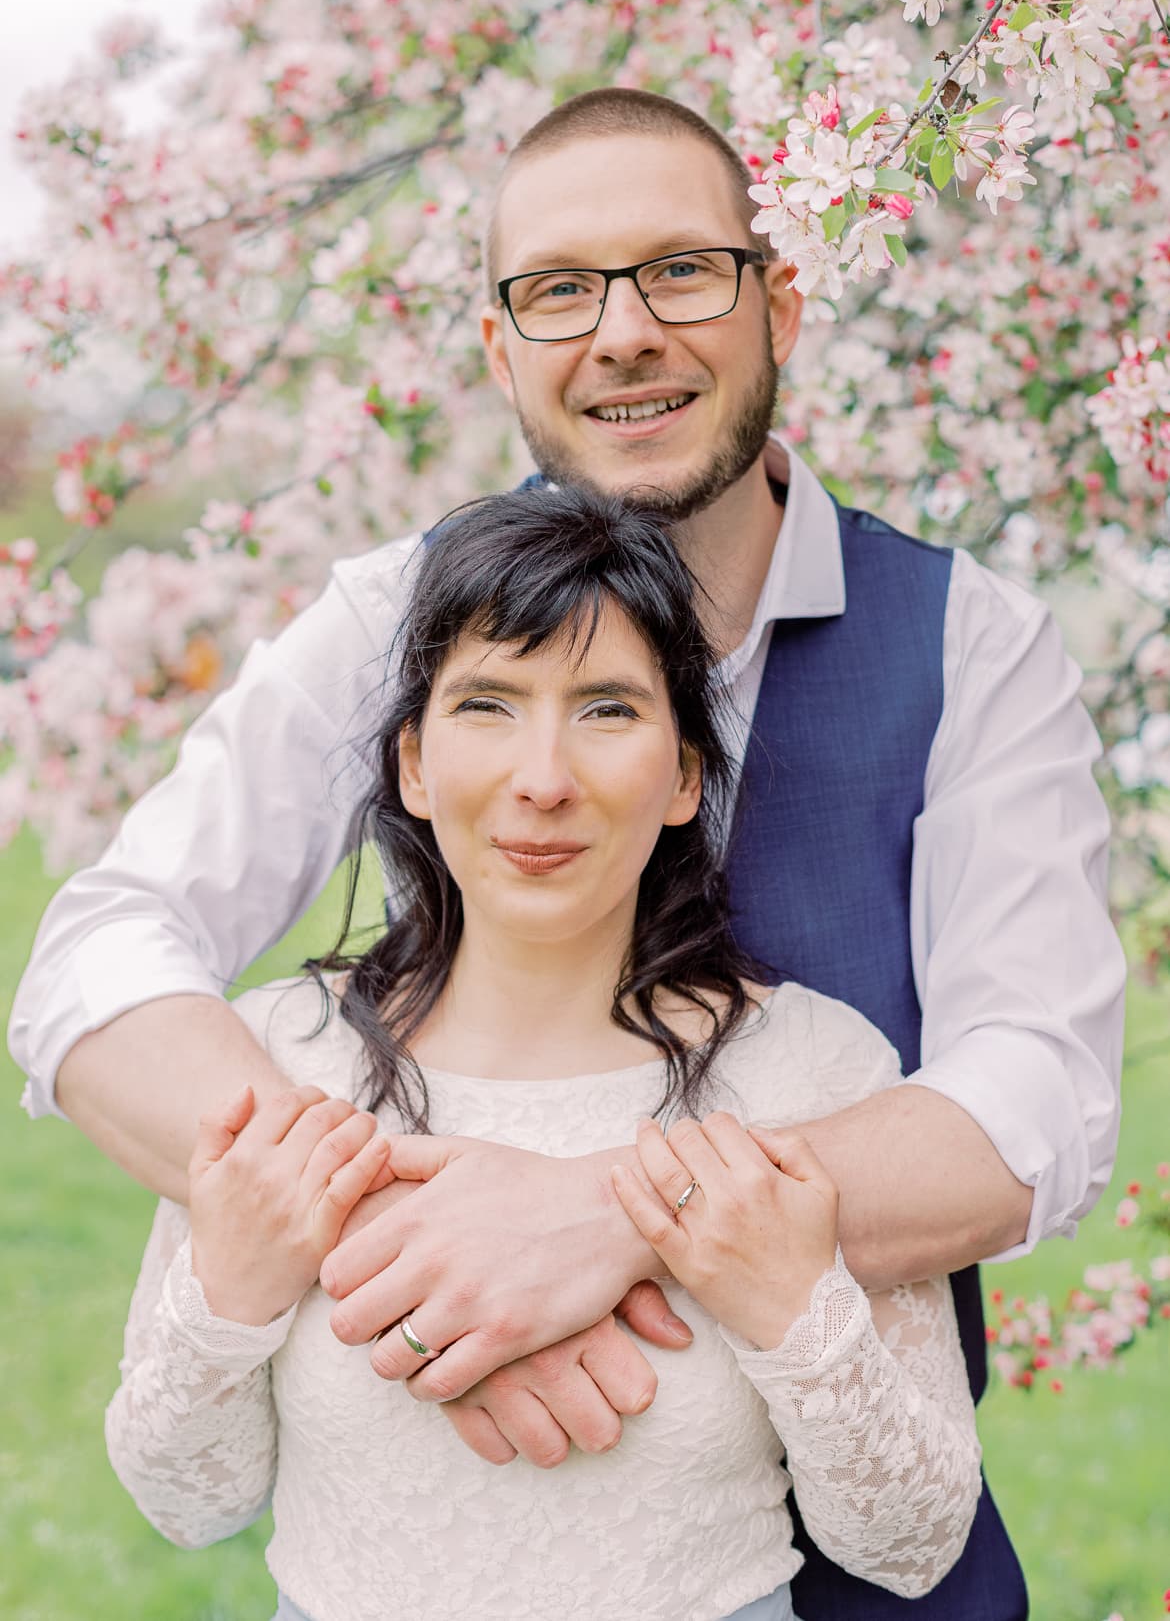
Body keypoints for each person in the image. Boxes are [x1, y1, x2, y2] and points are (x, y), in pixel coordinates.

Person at [10, 87, 1124, 1619]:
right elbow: (102, 953)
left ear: (774, 300)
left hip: (864, 1553)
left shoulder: (967, 644)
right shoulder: (400, 617)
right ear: (499, 346)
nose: (622, 333)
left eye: (680, 270)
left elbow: (1036, 1095)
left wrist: (604, 1216)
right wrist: (406, 1229)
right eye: (557, 289)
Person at [105, 485, 983, 1621]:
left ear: (685, 776)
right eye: (489, 705)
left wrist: (786, 1306)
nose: (543, 778)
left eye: (608, 709)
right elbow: (185, 1497)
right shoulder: (282, 1062)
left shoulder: (817, 1075)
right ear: (414, 765)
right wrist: (232, 1287)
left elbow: (912, 1543)